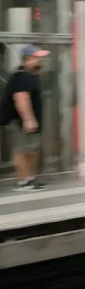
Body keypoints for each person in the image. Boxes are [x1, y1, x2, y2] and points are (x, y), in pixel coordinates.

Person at [1, 45, 48, 190]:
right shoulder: (22, 76)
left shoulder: (30, 76)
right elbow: (21, 98)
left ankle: (30, 178)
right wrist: (28, 119)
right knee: (22, 149)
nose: (40, 61)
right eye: (37, 58)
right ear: (28, 59)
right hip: (19, 121)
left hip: (27, 121)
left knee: (32, 149)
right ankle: (23, 181)